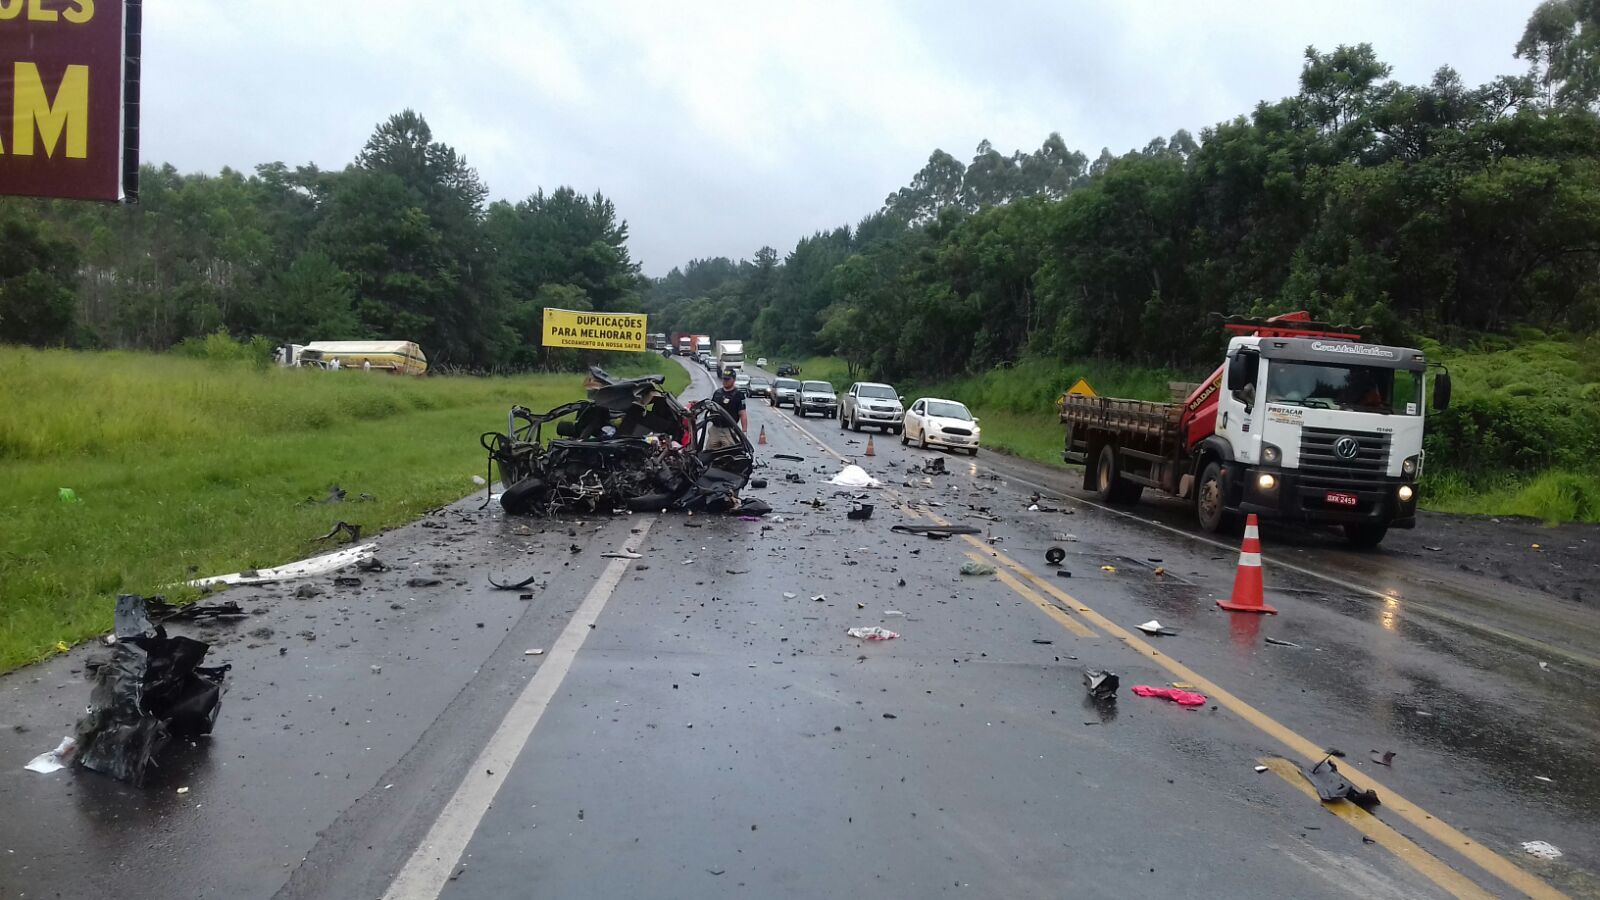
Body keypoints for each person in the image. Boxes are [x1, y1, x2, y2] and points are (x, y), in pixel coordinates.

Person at [706, 369, 748, 448]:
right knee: (709, 453)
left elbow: (742, 413)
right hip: (715, 429)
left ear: (734, 379)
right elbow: (710, 406)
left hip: (729, 430)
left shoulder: (738, 395)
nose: (725, 381)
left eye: (728, 379)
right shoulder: (717, 393)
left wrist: (744, 430)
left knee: (729, 453)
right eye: (724, 379)